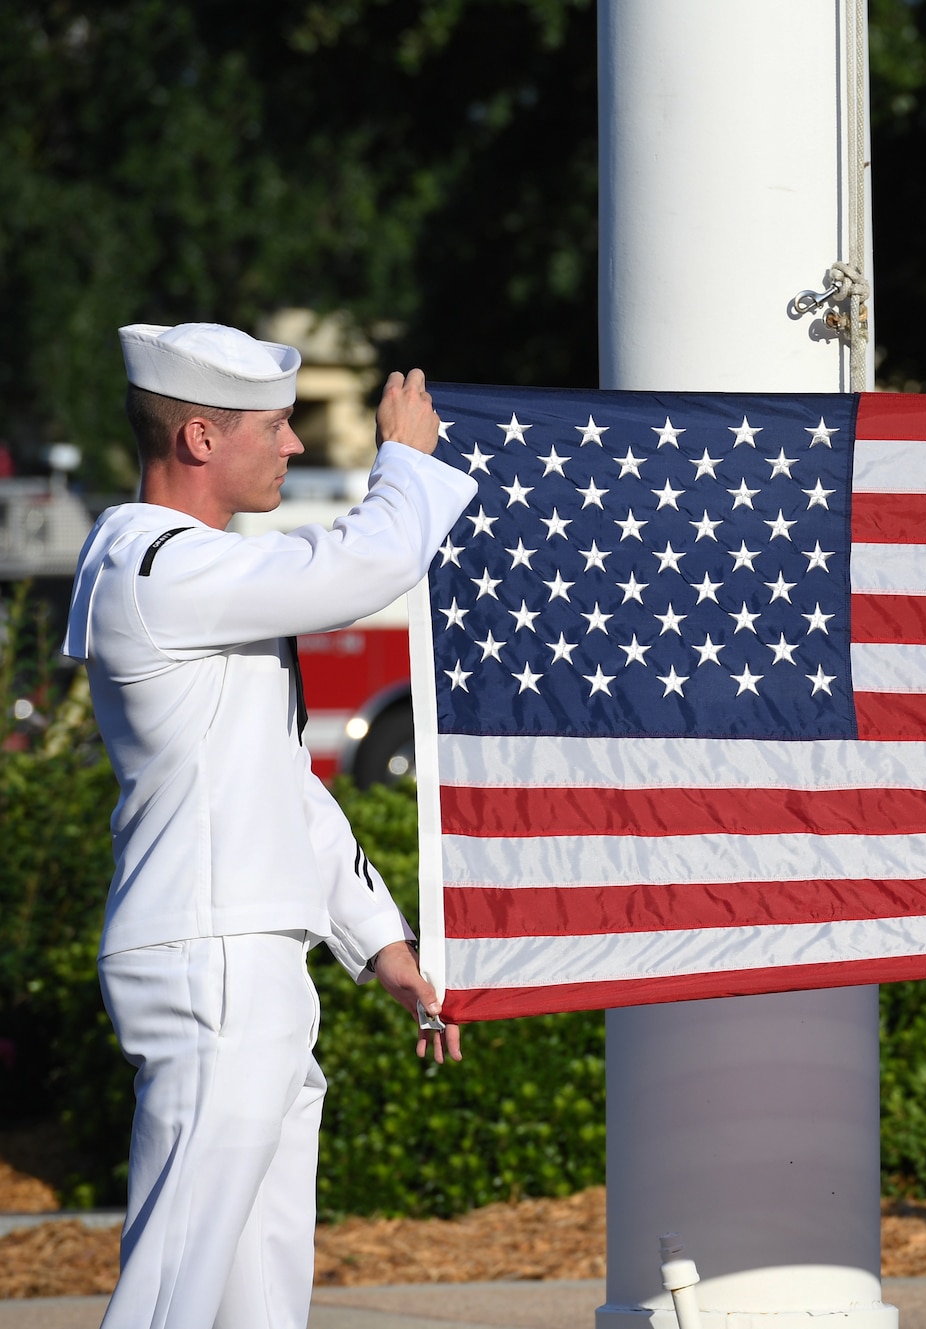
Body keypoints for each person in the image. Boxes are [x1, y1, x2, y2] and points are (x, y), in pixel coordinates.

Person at [65, 322, 480, 1328]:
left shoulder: (193, 571)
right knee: (177, 1290)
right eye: (277, 426)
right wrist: (405, 467)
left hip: (249, 962)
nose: (294, 447)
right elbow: (354, 567)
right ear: (201, 438)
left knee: (257, 1301)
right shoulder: (151, 564)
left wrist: (380, 942)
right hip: (214, 964)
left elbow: (282, 783)